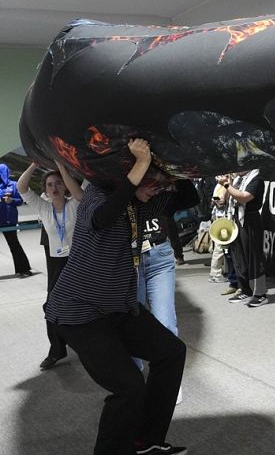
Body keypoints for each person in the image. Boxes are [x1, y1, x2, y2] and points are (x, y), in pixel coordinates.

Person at [45, 139, 186, 454]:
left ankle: (145, 440)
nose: (151, 188)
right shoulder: (98, 195)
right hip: (79, 314)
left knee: (171, 352)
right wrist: (139, 166)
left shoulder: (136, 203)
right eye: (146, 181)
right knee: (128, 388)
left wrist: (172, 175)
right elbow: (102, 218)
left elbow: (183, 197)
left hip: (117, 308)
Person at [133, 177, 199, 403]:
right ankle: (135, 379)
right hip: (130, 261)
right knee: (133, 324)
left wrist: (175, 177)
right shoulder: (122, 183)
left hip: (159, 257)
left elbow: (192, 197)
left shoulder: (163, 191)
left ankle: (168, 382)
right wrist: (133, 189)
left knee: (166, 323)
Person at [18, 161, 84, 370]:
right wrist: (35, 164)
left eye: (58, 183)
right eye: (49, 185)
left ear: (65, 185)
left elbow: (83, 191)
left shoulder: (75, 204)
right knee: (51, 307)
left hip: (78, 262)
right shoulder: (44, 208)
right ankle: (57, 350)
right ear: (45, 189)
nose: (54, 188)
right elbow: (22, 187)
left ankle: (89, 346)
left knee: (85, 307)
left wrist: (63, 169)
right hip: (56, 263)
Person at [219, 170, 266, 308]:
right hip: (236, 220)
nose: (236, 169)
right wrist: (227, 186)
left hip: (250, 220)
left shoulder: (256, 179)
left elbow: (244, 197)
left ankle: (260, 294)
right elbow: (226, 198)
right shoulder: (238, 180)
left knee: (254, 258)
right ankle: (245, 289)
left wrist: (228, 185)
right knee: (239, 257)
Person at [0, 163, 33, 276]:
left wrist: (11, 201)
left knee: (14, 244)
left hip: (9, 220)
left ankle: (23, 269)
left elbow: (20, 201)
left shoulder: (14, 185)